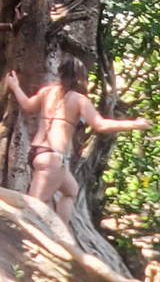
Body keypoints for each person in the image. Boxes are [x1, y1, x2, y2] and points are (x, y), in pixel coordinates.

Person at [5, 55, 150, 225]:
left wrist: (15, 87)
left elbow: (28, 106)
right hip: (53, 157)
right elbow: (100, 125)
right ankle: (22, 237)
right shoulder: (80, 100)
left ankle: (60, 233)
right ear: (81, 78)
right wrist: (134, 124)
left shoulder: (47, 91)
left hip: (37, 153)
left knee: (71, 191)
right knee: (34, 205)